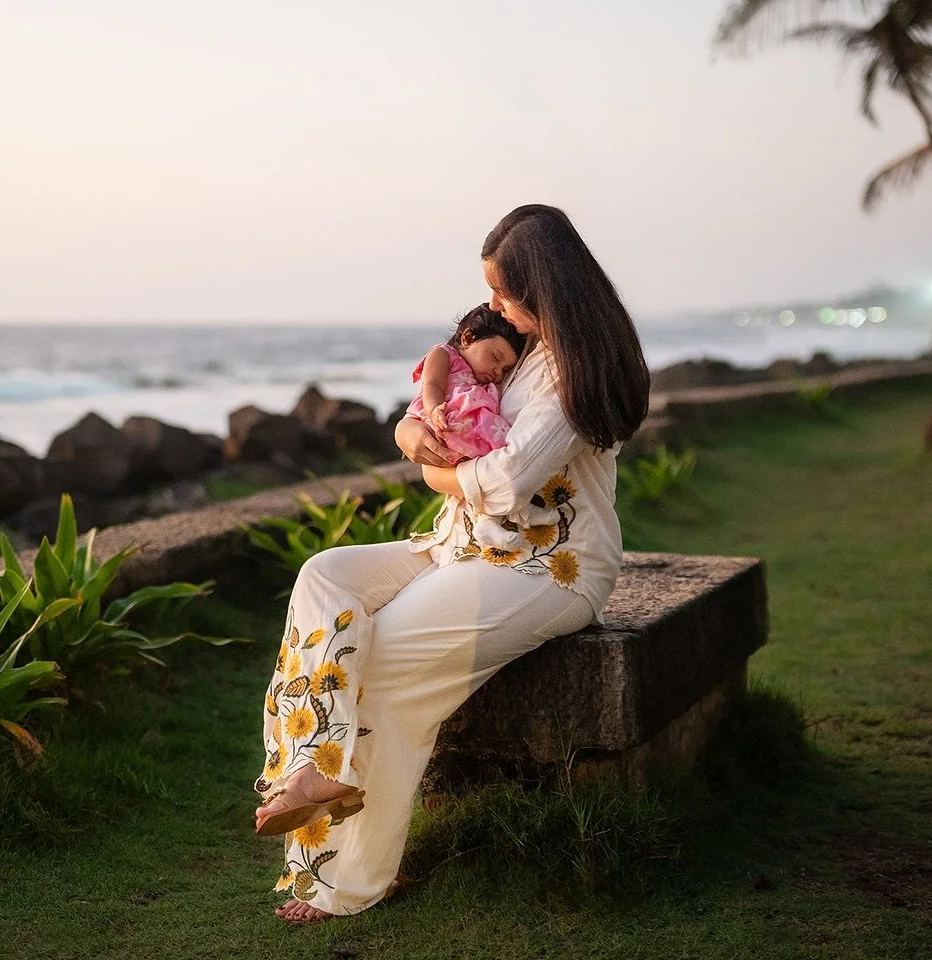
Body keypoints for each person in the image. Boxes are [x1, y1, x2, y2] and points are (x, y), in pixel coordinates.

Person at [251, 204, 652, 924]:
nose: (493, 307)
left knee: (386, 661)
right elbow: (442, 380)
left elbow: (504, 484)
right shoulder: (519, 344)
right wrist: (412, 429)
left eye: (504, 292)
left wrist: (431, 474)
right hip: (464, 544)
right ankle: (314, 767)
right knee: (324, 575)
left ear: (545, 287)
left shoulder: (575, 371)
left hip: (548, 566)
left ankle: (350, 881)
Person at [405, 304, 528, 464]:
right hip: (444, 425)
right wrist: (434, 409)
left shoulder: (484, 382)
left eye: (505, 369)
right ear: (468, 338)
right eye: (495, 358)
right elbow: (432, 384)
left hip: (478, 447)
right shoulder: (444, 354)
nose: (498, 372)